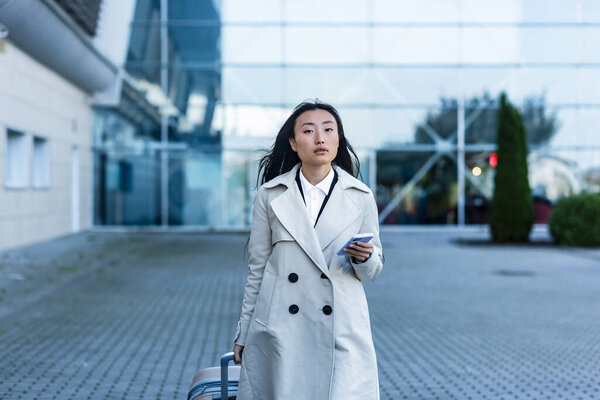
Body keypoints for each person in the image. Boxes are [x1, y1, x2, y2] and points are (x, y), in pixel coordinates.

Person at [232, 100, 384, 399]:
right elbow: (258, 269)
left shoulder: (360, 196)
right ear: (293, 142)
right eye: (309, 130)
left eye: (329, 130)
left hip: (341, 330)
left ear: (338, 140)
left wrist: (364, 258)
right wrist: (244, 330)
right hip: (282, 328)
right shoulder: (271, 195)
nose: (320, 138)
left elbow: (373, 270)